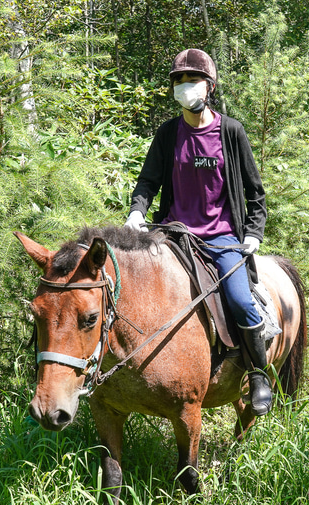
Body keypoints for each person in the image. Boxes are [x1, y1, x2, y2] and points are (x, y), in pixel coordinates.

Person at [124, 48, 272, 416]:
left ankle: (258, 373)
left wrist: (253, 233)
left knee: (240, 301)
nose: (185, 86)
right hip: (172, 234)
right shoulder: (168, 133)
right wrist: (137, 211)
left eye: (193, 80)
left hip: (221, 238)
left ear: (210, 87)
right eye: (179, 81)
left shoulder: (231, 132)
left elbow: (255, 193)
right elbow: (148, 181)